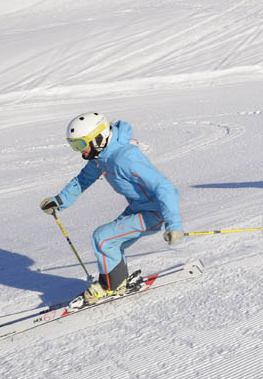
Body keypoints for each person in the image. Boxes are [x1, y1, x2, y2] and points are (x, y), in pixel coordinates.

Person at [39, 112, 184, 306]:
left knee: (103, 238)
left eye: (81, 145)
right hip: (138, 208)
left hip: (155, 212)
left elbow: (164, 187)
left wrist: (174, 224)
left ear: (99, 138)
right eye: (74, 146)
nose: (80, 152)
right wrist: (59, 201)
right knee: (112, 243)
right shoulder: (102, 156)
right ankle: (117, 281)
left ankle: (111, 286)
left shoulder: (125, 157)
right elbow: (83, 179)